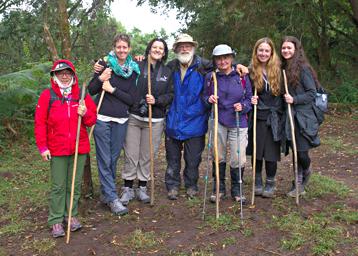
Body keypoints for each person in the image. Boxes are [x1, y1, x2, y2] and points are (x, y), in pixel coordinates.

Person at [34, 59, 97, 238]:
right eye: (60, 73)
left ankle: (70, 216)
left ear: (73, 75)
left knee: (74, 185)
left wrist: (85, 113)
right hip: (57, 149)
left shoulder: (81, 95)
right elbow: (40, 123)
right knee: (58, 186)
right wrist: (43, 147)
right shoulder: (48, 95)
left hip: (79, 148)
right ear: (54, 76)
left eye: (68, 72)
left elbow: (92, 120)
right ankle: (55, 220)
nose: (64, 75)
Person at [88, 34, 140, 215]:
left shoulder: (134, 70)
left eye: (125, 47)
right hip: (102, 118)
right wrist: (101, 78)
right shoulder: (105, 65)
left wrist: (112, 89)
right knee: (104, 158)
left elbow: (131, 100)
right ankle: (112, 198)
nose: (122, 50)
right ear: (114, 47)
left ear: (129, 49)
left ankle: (105, 192)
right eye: (119, 47)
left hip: (121, 119)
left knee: (113, 157)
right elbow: (91, 89)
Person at [119, 38, 173, 205]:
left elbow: (170, 95)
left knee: (147, 154)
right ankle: (127, 188)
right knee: (131, 154)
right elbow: (121, 70)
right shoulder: (137, 64)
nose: (157, 50)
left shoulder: (167, 71)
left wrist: (156, 101)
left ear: (164, 53)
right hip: (134, 116)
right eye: (154, 47)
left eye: (161, 48)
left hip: (155, 119)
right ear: (149, 49)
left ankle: (142, 187)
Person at [164, 34, 212, 200]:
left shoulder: (204, 66)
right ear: (176, 49)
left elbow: (225, 64)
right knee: (172, 158)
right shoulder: (170, 67)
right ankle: (172, 186)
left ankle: (191, 185)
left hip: (196, 121)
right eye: (181, 46)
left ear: (193, 48)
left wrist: (239, 66)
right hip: (173, 120)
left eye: (188, 46)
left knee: (193, 159)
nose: (184, 49)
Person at [204, 44, 252, 203]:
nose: (223, 61)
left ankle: (237, 190)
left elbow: (249, 99)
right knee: (218, 155)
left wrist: (243, 106)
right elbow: (204, 97)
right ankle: (219, 188)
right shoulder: (211, 77)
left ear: (232, 58)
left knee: (239, 157)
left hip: (239, 121)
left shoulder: (241, 76)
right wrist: (209, 99)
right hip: (218, 120)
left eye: (226, 57)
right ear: (215, 60)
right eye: (219, 58)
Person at [280, 36, 320, 197]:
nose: (286, 50)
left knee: (302, 152)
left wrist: (294, 99)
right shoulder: (283, 68)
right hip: (290, 117)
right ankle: (297, 183)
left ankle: (307, 170)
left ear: (296, 49)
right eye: (283, 48)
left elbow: (312, 93)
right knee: (295, 151)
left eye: (289, 48)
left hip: (303, 118)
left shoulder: (303, 69)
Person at [248, 38, 284, 198]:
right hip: (257, 115)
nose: (263, 53)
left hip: (274, 117)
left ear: (271, 53)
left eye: (266, 51)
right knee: (257, 150)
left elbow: (284, 93)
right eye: (260, 50)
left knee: (271, 152)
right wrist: (250, 98)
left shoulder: (279, 70)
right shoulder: (250, 71)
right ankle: (257, 181)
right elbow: (243, 92)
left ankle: (270, 182)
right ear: (256, 52)